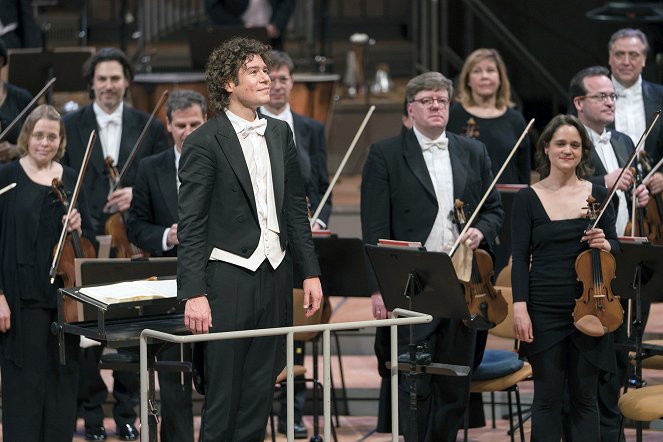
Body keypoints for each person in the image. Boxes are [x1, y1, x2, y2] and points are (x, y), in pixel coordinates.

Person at [176, 36, 323, 441]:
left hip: (275, 274)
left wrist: (310, 273)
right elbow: (191, 223)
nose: (267, 78)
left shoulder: (280, 134)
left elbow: (296, 209)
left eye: (266, 70)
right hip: (228, 279)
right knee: (223, 398)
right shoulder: (204, 140)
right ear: (228, 82)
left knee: (261, 392)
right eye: (254, 72)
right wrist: (193, 293)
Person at [361, 71, 504, 441]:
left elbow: (494, 210)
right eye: (428, 101)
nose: (437, 106)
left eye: (442, 100)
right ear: (411, 109)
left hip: (462, 280)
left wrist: (481, 229)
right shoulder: (385, 154)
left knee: (456, 378)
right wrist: (378, 289)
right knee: (414, 380)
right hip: (413, 281)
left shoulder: (473, 150)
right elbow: (373, 226)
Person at [62, 47, 169, 442]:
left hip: (129, 240)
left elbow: (156, 177)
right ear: (92, 83)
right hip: (83, 240)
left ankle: (127, 412)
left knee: (129, 324)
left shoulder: (149, 126)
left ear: (127, 82)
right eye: (102, 78)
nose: (109, 86)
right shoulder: (70, 124)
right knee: (84, 323)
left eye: (116, 78)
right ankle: (91, 413)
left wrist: (135, 191)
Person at [511, 114, 620, 441]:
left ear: (583, 151)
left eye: (575, 144)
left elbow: (616, 245)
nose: (567, 150)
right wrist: (520, 306)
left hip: (592, 307)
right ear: (546, 148)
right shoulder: (527, 199)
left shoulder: (598, 194)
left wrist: (606, 242)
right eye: (560, 143)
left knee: (585, 399)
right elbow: (519, 259)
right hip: (544, 308)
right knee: (546, 399)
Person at [0, 104, 94, 442]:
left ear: (61, 140)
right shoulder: (7, 176)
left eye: (51, 136)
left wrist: (79, 225)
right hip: (20, 298)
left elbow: (89, 239)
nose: (44, 142)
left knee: (61, 387)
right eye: (38, 135)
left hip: (62, 299)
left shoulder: (69, 177)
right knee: (24, 388)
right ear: (27, 137)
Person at [570, 66, 650, 441]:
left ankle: (612, 430)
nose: (609, 101)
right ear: (579, 103)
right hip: (587, 262)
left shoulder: (622, 140)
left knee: (620, 353)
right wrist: (604, 181)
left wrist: (638, 195)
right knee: (590, 359)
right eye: (601, 96)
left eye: (612, 96)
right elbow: (554, 188)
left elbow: (625, 192)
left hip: (620, 252)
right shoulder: (567, 140)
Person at [126, 89, 207, 442]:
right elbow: (136, 225)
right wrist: (166, 237)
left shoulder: (223, 162)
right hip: (169, 288)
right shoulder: (150, 167)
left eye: (196, 123)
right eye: (181, 125)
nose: (188, 131)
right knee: (173, 382)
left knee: (218, 377)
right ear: (168, 125)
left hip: (216, 282)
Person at [258, 49, 330, 438]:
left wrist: (319, 218)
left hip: (303, 240)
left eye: (284, 78)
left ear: (291, 83)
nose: (278, 84)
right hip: (269, 244)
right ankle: (265, 408)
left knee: (299, 330)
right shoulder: (248, 127)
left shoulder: (310, 129)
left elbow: (322, 184)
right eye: (272, 77)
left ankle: (294, 412)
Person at [447, 48, 531, 185]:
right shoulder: (453, 115)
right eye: (477, 71)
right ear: (467, 80)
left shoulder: (516, 120)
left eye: (490, 70)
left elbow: (523, 174)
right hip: (465, 203)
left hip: (507, 202)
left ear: (500, 79)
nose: (484, 76)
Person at [607, 28, 663, 196]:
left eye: (633, 55)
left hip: (652, 197)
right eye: (619, 54)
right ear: (610, 58)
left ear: (644, 59)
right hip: (607, 195)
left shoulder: (661, 96)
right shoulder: (590, 96)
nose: (626, 61)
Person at [204, 0, 294, 49]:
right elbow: (213, 6)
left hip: (271, 37)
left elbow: (286, 2)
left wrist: (277, 25)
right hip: (232, 35)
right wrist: (239, 27)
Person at [0, 38, 34, 162]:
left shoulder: (22, 98)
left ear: (0, 61)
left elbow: (43, 141)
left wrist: (17, 150)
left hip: (18, 172)